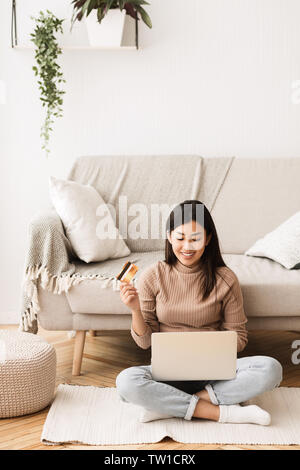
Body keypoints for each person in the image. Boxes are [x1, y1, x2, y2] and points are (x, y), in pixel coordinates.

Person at [116, 200, 283, 425]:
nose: (187, 246)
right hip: (169, 374)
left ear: (208, 239)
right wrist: (135, 310)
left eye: (195, 238)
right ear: (169, 236)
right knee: (126, 382)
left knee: (271, 369)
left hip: (215, 371)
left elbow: (240, 339)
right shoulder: (152, 275)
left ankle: (171, 406)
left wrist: (206, 348)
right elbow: (145, 342)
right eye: (180, 237)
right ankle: (225, 413)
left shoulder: (225, 278)